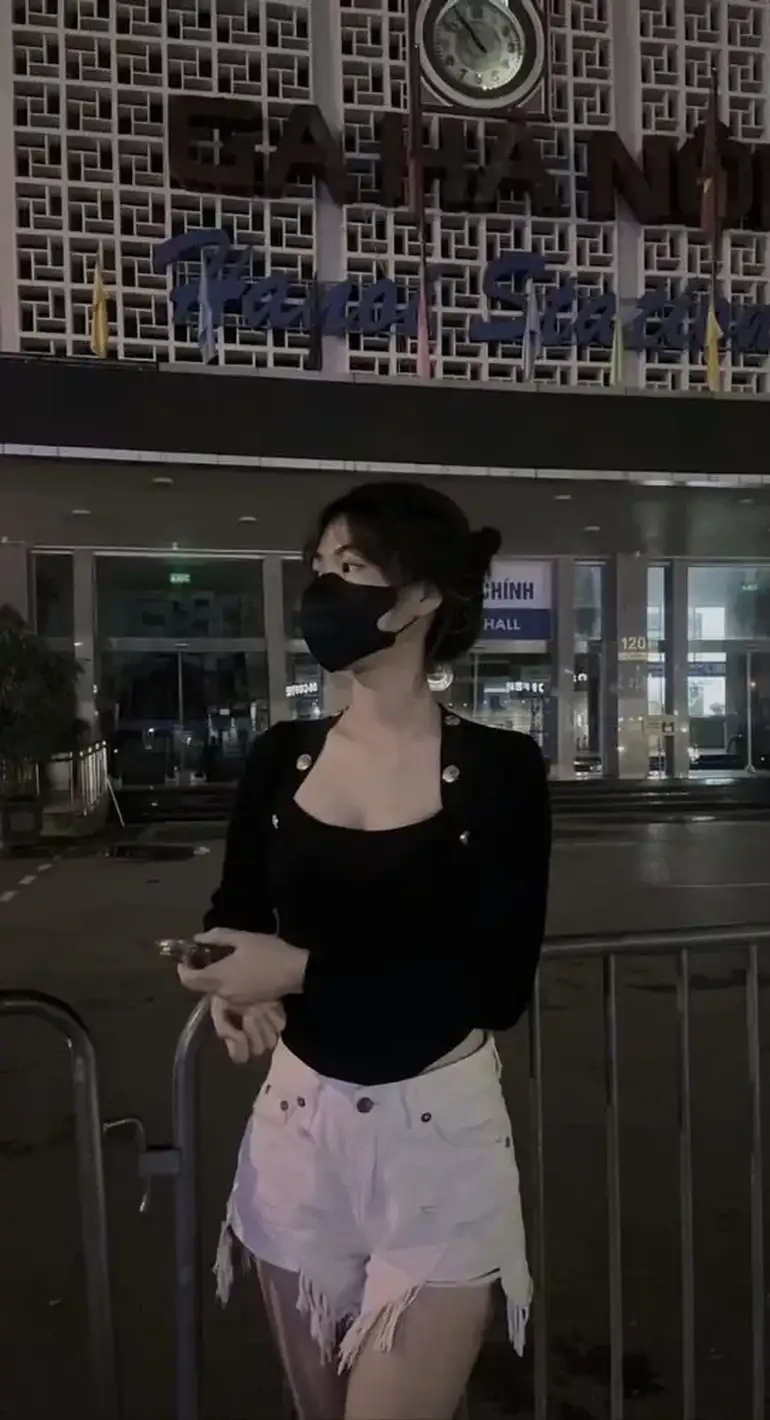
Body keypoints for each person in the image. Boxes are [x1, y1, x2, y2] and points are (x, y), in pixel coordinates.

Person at [177, 480, 552, 1420]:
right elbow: (235, 916)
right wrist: (227, 984)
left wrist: (298, 970)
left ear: (420, 595)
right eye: (318, 568)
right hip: (298, 1134)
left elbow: (496, 983)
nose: (322, 592)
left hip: (437, 1147)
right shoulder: (280, 756)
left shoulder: (499, 771)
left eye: (349, 568)